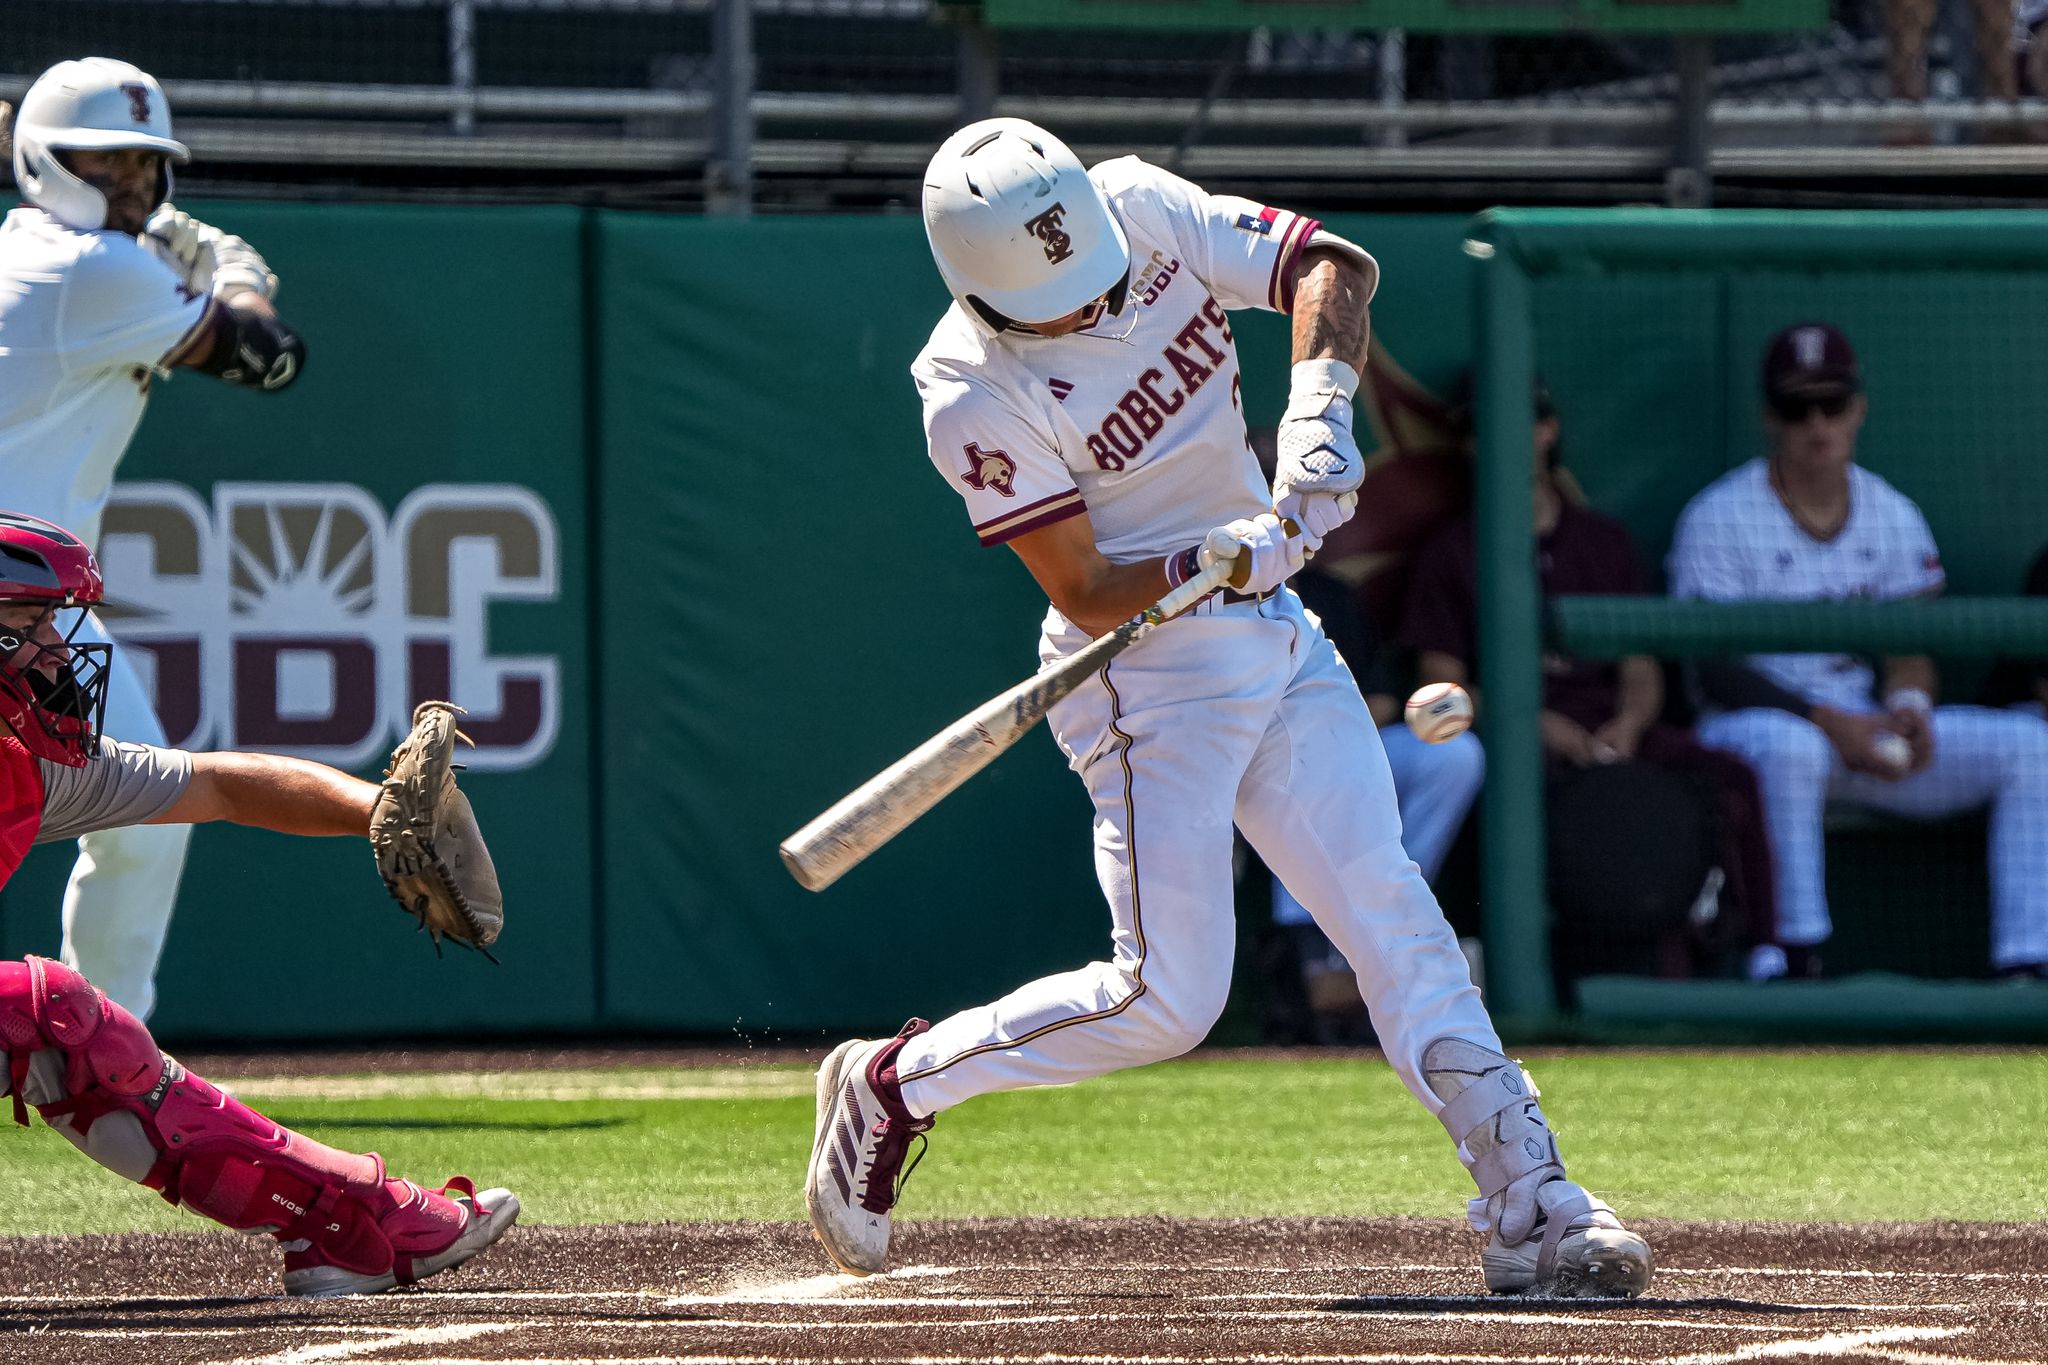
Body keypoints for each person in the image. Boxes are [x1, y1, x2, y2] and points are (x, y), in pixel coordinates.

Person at [803, 118, 1652, 1298]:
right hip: (1141, 682)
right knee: (1165, 1000)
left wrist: (1315, 410)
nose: (1091, 309)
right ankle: (893, 1084)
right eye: (1057, 303)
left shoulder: (1137, 208)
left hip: (1272, 637)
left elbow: (1330, 268)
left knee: (1388, 911)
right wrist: (1212, 555)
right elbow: (1087, 587)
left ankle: (1535, 1202)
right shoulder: (966, 390)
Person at [0, 509, 518, 1295]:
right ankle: (356, 1215)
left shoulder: (29, 764)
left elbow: (219, 784)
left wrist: (376, 812)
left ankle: (347, 1220)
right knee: (42, 1010)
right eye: (33, 621)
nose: (60, 648)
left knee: (49, 1025)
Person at [0, 57, 307, 1021]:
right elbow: (270, 358)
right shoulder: (94, 268)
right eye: (106, 163)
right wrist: (238, 273)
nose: (132, 186)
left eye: (145, 165)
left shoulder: (50, 247)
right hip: (16, 595)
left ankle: (98, 1050)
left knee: (149, 810)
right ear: (47, 162)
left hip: (36, 601)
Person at [1668, 322, 2048, 981]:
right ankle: (1792, 953)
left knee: (2030, 744)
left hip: (1863, 730)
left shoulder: (1891, 513)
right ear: (1769, 417)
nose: (1818, 423)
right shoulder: (1721, 514)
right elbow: (1714, 669)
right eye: (1797, 407)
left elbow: (1910, 652)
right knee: (1794, 749)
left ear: (1859, 408)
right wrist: (1828, 720)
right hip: (1756, 732)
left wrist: (1908, 709)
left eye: (1832, 403)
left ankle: (2026, 960)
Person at [1402, 382, 1779, 974]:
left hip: (1610, 730)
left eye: (1513, 422)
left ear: (1547, 431)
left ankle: (1765, 951)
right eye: (1479, 431)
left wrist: (1627, 726)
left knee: (1732, 778)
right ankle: (1493, 965)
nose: (1495, 440)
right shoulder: (1451, 550)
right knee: (1472, 773)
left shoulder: (1603, 542)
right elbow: (1432, 704)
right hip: (1515, 744)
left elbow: (1641, 669)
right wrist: (1527, 722)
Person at [1268, 565, 1485, 1042]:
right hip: (1261, 757)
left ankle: (1390, 906)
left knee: (1454, 754)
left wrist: (1340, 727)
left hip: (1345, 739)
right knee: (1306, 773)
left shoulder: (1329, 593)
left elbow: (1383, 696)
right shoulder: (1214, 596)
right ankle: (1313, 957)